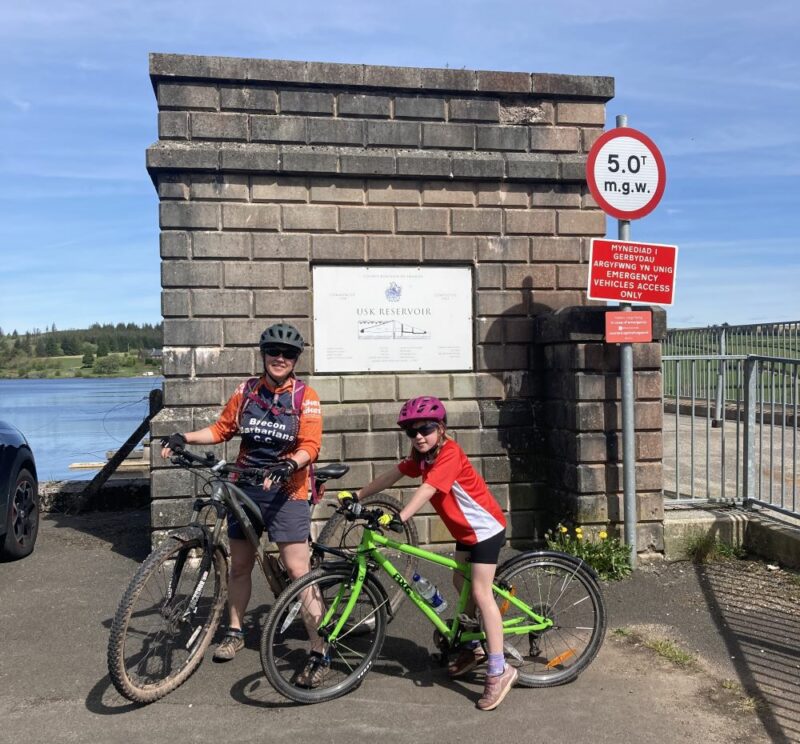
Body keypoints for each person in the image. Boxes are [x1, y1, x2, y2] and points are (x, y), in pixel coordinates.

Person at [161, 322, 324, 677]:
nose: (280, 358)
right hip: (245, 486)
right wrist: (182, 437)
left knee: (298, 570)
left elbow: (311, 445)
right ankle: (234, 632)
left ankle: (319, 648)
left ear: (295, 359)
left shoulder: (304, 397)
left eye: (288, 354)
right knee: (239, 566)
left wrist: (288, 463)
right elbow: (222, 429)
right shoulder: (247, 391)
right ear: (264, 355)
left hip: (287, 490)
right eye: (274, 352)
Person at [355, 396, 517, 711]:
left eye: (425, 429)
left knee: (482, 594)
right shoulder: (423, 456)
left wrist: (400, 518)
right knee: (461, 585)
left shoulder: (449, 455)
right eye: (412, 432)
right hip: (465, 532)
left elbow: (427, 490)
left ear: (440, 428)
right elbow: (393, 474)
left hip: (485, 530)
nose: (419, 436)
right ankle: (475, 647)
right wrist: (356, 495)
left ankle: (500, 669)